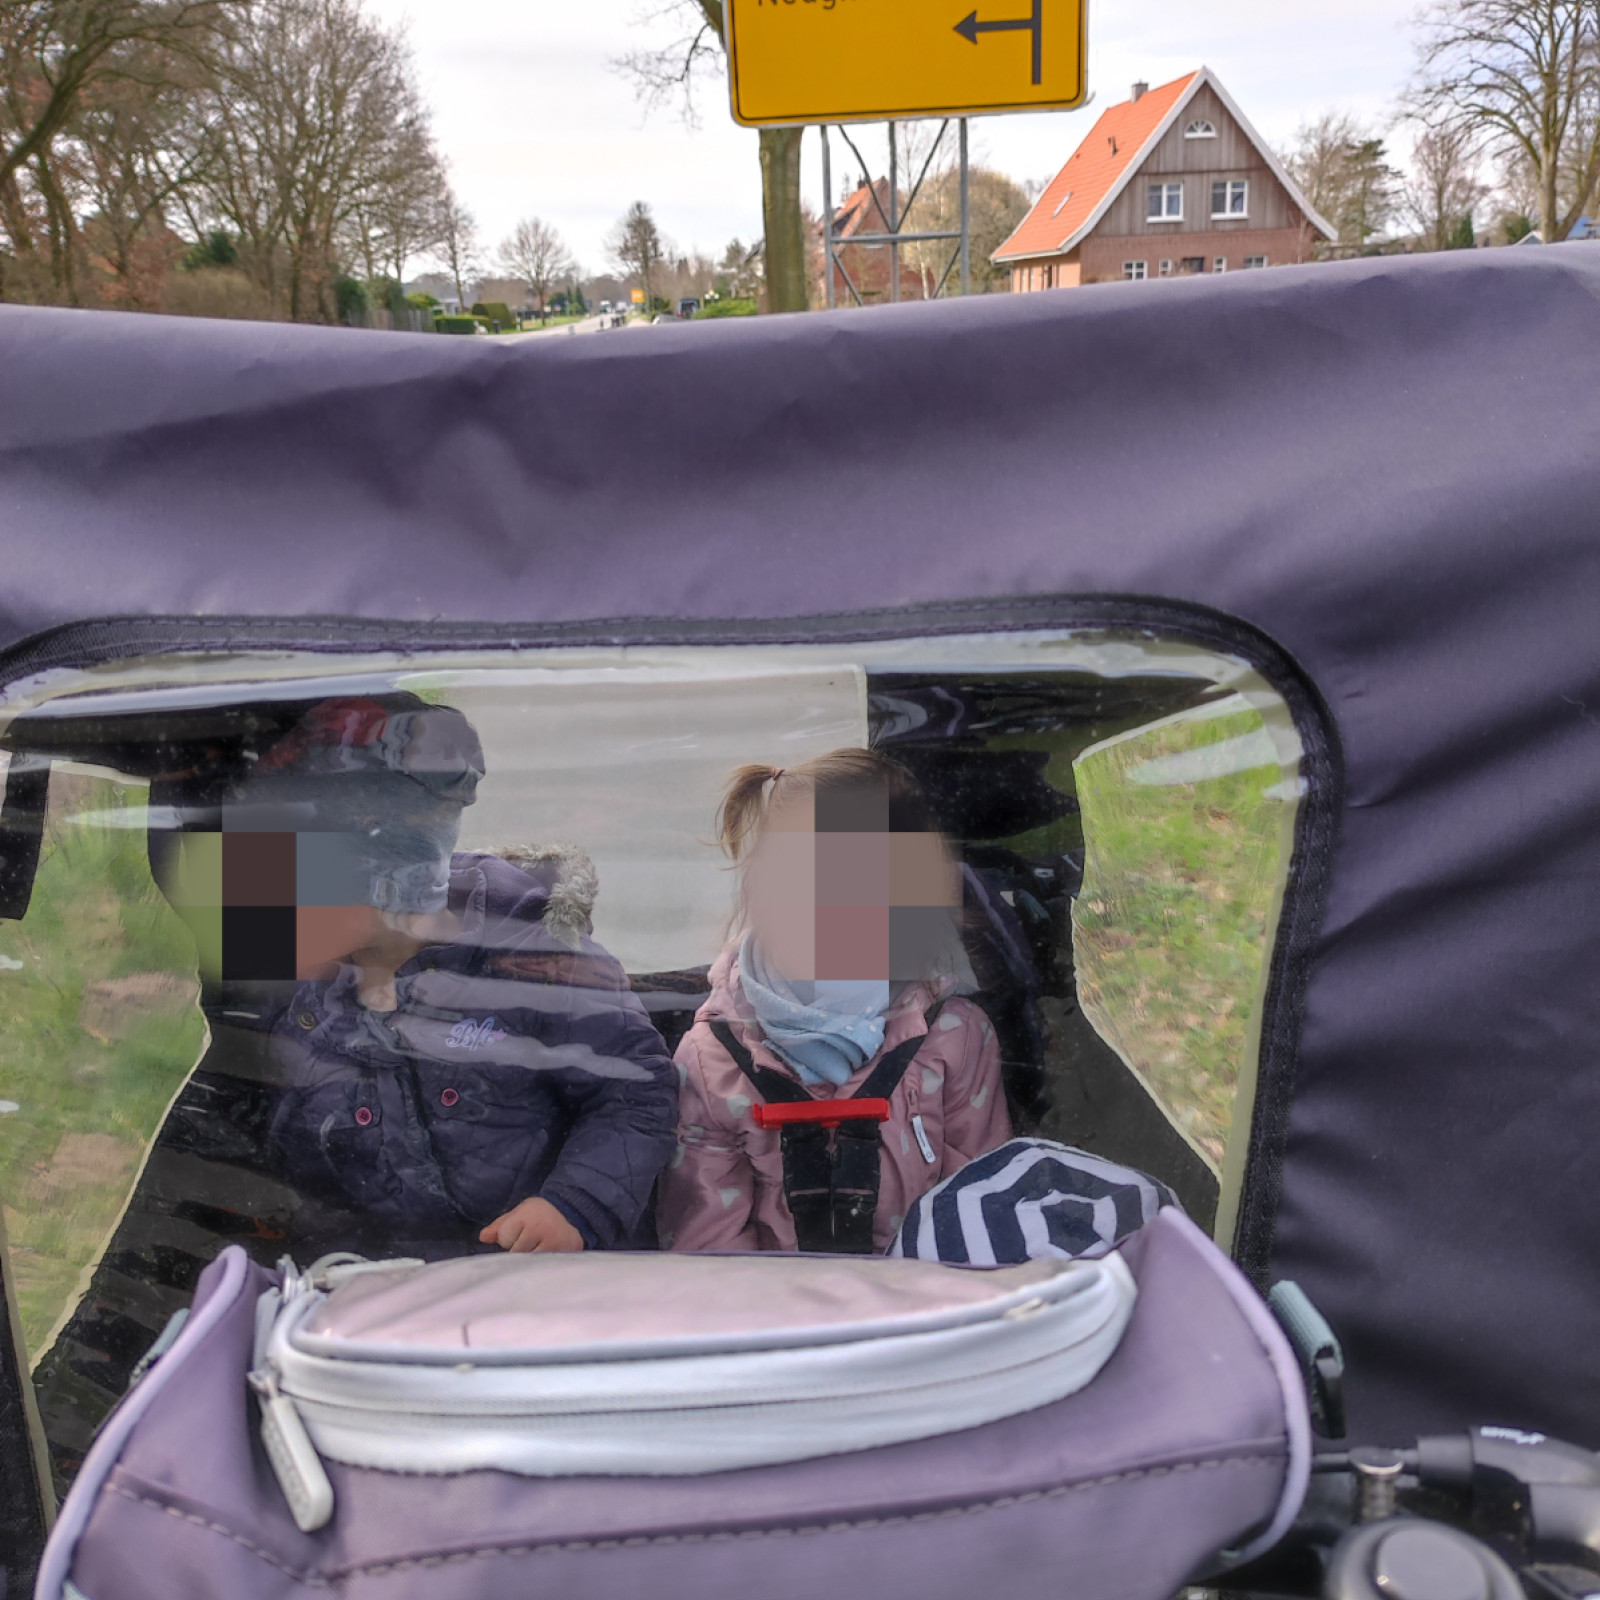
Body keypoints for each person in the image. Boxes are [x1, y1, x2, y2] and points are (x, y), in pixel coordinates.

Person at [247, 694, 678, 1258]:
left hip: (552, 1275)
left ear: (392, 872)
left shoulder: (533, 960)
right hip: (394, 1287)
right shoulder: (306, 1003)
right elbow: (292, 1164)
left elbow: (634, 1091)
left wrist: (574, 1206)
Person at [657, 748, 1011, 1254]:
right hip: (769, 1302)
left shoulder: (955, 1038)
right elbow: (706, 1250)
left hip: (920, 1297)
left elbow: (984, 1214)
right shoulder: (713, 1060)